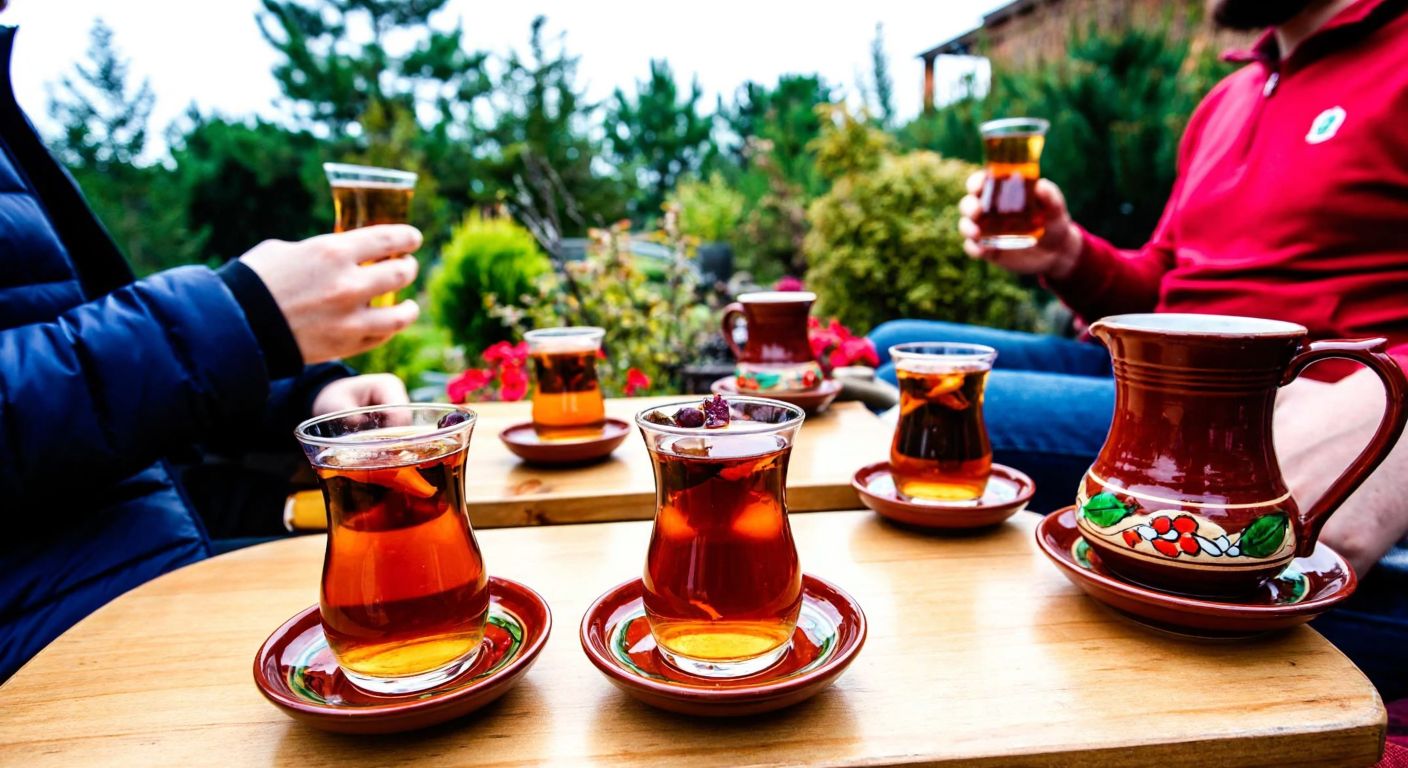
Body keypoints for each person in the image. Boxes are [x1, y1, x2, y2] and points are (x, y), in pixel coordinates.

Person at [871, 0, 1408, 698]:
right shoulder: (1227, 99)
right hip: (1151, 368)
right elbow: (1164, 283)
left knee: (941, 400)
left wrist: (1393, 402)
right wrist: (1067, 255)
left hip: (1263, 408)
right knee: (897, 349)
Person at [0, 21, 421, 680]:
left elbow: (83, 388)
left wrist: (305, 398)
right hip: (57, 658)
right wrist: (245, 317)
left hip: (137, 581)